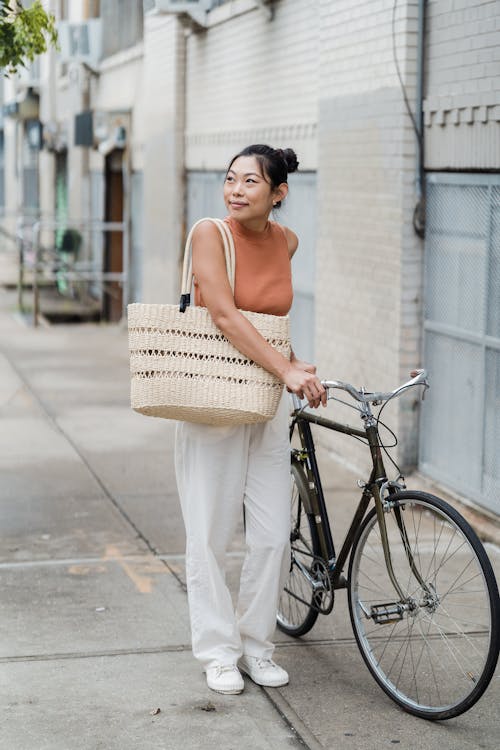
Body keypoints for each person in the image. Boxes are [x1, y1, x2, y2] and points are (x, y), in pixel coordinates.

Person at [175, 144, 326, 695]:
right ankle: (218, 652)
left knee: (270, 535)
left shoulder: (287, 240)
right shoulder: (209, 234)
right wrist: (284, 367)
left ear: (278, 193)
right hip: (211, 396)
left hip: (267, 399)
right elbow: (223, 314)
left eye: (250, 183)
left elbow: (272, 321)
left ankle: (257, 645)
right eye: (230, 179)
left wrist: (295, 364)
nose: (235, 190)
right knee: (210, 533)